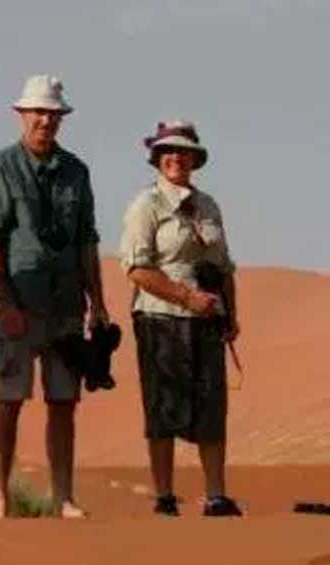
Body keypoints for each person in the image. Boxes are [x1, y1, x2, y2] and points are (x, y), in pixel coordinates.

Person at [0, 75, 109, 519]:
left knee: (64, 401)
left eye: (52, 113)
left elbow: (87, 240)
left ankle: (63, 497)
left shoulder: (76, 171)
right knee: (8, 398)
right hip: (17, 302)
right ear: (21, 115)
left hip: (67, 302)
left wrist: (99, 303)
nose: (45, 120)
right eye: (37, 112)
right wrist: (5, 301)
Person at [119, 120, 242, 517]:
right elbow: (137, 268)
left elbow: (223, 266)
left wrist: (230, 313)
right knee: (162, 406)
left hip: (208, 319)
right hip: (161, 318)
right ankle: (164, 495)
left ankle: (216, 494)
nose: (176, 157)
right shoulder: (146, 205)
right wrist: (187, 297)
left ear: (194, 158)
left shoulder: (209, 205)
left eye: (183, 151)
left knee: (212, 405)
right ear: (157, 159)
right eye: (168, 151)